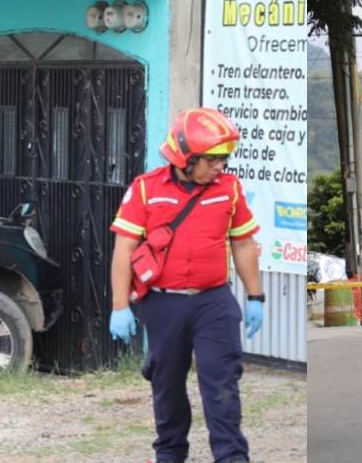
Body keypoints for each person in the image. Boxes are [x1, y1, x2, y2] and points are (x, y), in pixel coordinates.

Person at [107, 107, 264, 463]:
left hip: (214, 302)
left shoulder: (230, 190)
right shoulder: (145, 190)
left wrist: (256, 296)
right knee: (167, 384)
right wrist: (120, 307)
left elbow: (241, 244)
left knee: (221, 382)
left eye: (223, 159)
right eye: (211, 160)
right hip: (164, 304)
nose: (219, 167)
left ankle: (231, 456)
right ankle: (170, 454)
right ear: (185, 156)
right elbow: (124, 251)